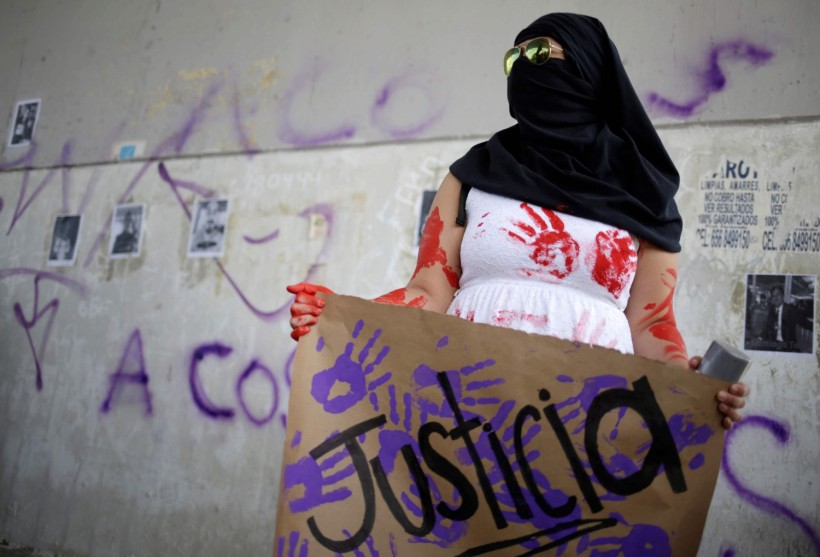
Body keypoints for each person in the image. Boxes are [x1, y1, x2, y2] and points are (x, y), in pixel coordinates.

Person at [287, 13, 748, 429]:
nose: (524, 66)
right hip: (464, 403)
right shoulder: (473, 175)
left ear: (588, 67)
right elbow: (428, 292)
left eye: (540, 52)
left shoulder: (644, 191)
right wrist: (345, 313)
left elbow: (650, 325)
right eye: (515, 57)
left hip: (588, 420)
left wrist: (691, 386)